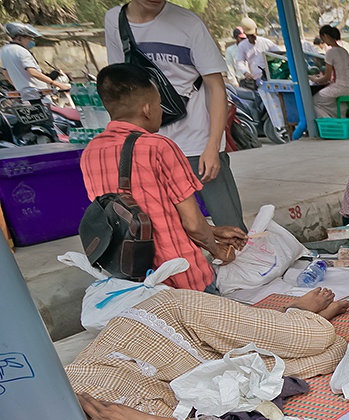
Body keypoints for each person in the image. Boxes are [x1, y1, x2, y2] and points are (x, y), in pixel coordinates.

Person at [68, 288, 349, 420]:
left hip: (170, 322)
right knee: (333, 353)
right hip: (213, 372)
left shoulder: (66, 386)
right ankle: (282, 325)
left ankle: (294, 315)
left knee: (318, 336)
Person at [81, 64, 248, 292]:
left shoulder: (91, 152)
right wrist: (218, 250)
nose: (162, 110)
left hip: (132, 279)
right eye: (160, 104)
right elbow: (192, 223)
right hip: (181, 276)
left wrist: (215, 231)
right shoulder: (159, 147)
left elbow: (134, 216)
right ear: (147, 109)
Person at [105, 0, 244, 230]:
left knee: (228, 221)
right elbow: (119, 84)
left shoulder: (189, 24)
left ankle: (242, 263)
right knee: (168, 226)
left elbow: (216, 87)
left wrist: (213, 146)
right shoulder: (115, 21)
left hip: (195, 141)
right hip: (150, 142)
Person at [1, 22, 69, 103]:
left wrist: (18, 86)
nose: (32, 40)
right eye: (29, 38)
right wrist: (57, 84)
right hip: (39, 95)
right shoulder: (22, 51)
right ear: (19, 38)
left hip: (25, 96)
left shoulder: (3, 50)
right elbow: (32, 72)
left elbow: (5, 72)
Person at [312, 24, 349, 119]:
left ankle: (330, 123)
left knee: (314, 101)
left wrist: (315, 79)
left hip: (339, 87)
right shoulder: (344, 51)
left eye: (322, 38)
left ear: (325, 36)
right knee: (332, 103)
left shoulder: (330, 52)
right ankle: (340, 121)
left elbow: (327, 77)